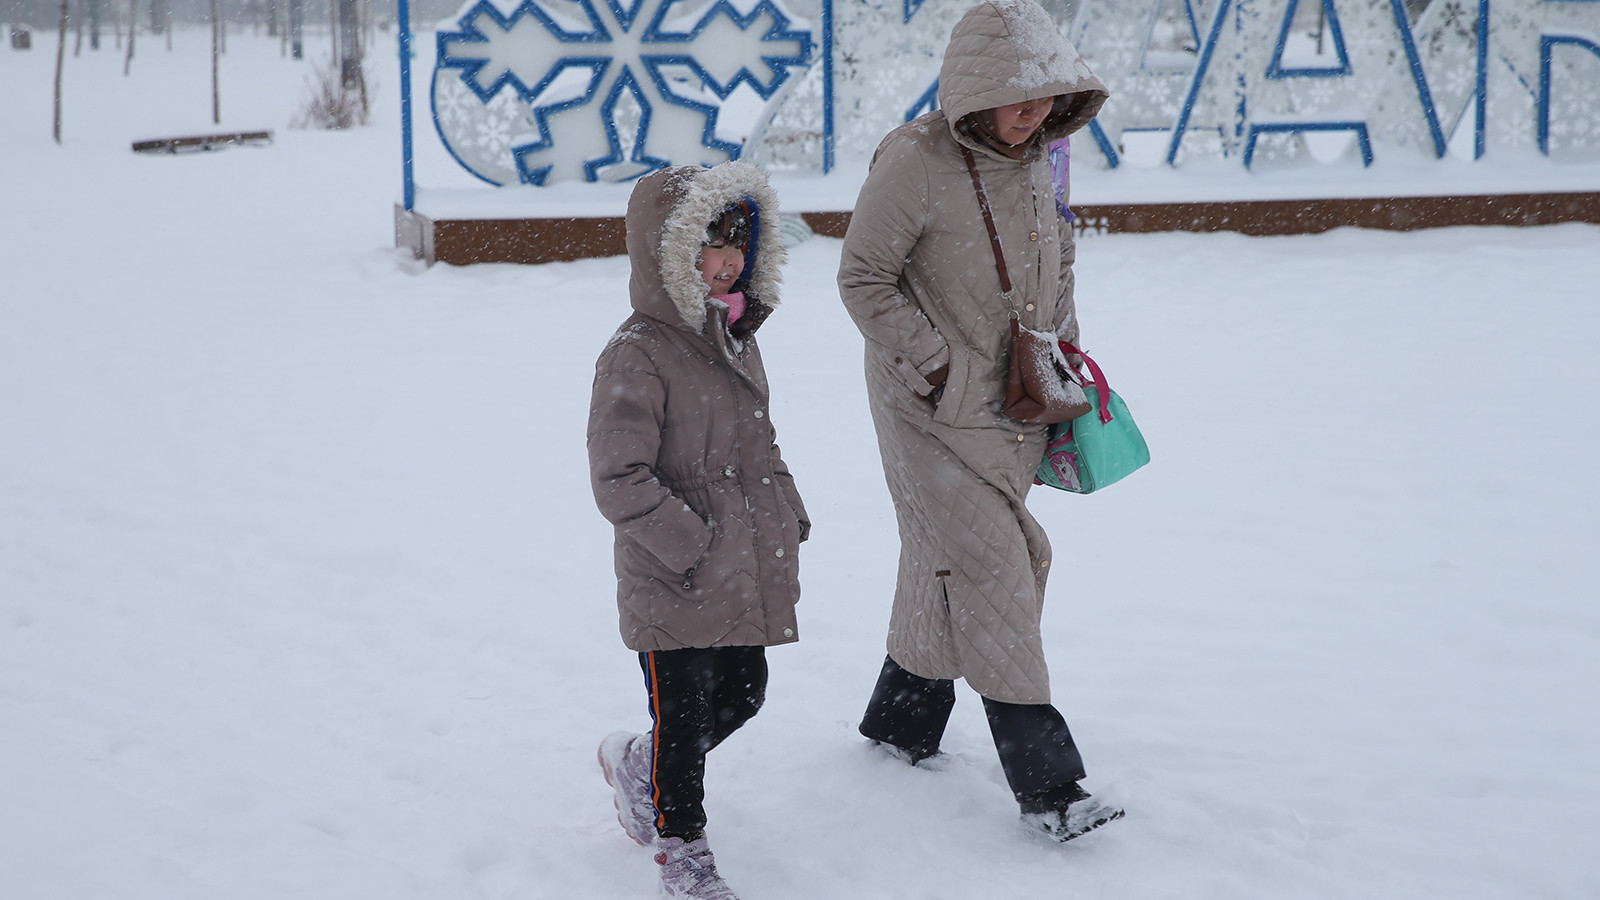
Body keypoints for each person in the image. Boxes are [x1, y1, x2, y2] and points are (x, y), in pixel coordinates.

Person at [836, 0, 1121, 842]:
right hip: (923, 407)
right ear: (972, 89)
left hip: (1014, 406)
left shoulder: (1035, 160)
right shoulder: (915, 161)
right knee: (1004, 563)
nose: (1033, 109)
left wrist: (1063, 358)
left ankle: (901, 721)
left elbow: (1053, 263)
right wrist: (938, 365)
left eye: (1045, 93)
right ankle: (1050, 786)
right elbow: (863, 279)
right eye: (1015, 93)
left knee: (944, 558)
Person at [588, 160, 809, 900]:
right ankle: (683, 850)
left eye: (739, 244)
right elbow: (620, 477)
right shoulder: (638, 351)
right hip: (671, 573)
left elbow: (760, 445)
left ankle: (636, 764)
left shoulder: (737, 338)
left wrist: (787, 509)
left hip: (736, 563)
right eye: (712, 245)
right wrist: (692, 545)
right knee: (684, 725)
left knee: (744, 693)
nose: (729, 260)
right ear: (669, 252)